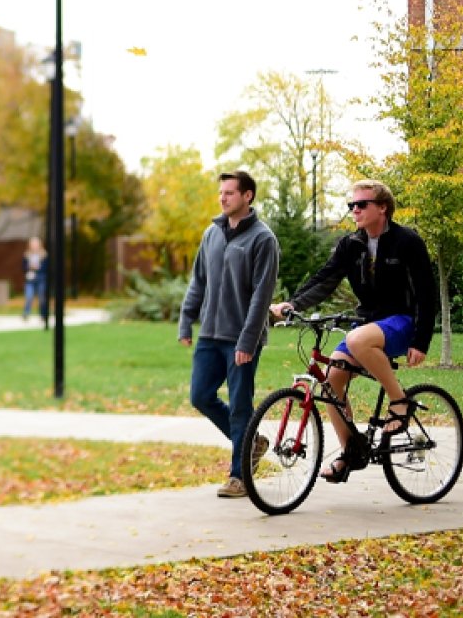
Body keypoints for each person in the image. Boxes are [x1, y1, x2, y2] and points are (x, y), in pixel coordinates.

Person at [269, 178, 438, 484]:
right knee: (332, 382)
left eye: (362, 204)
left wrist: (421, 339)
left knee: (357, 339)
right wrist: (293, 304)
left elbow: (428, 293)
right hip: (368, 324)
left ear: (382, 208)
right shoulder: (351, 245)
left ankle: (399, 401)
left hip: (402, 321)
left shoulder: (407, 242)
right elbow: (325, 279)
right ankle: (352, 452)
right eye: (352, 205)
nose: (355, 210)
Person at [178, 170, 281, 499]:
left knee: (239, 406)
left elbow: (262, 296)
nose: (222, 198)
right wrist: (186, 320)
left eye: (230, 193)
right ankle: (253, 441)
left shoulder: (263, 239)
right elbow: (198, 281)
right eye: (221, 192)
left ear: (248, 196)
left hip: (241, 338)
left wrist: (247, 341)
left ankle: (240, 477)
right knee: (200, 396)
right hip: (210, 334)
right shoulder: (212, 234)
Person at [21, 237, 49, 325]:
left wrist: (38, 267)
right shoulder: (27, 255)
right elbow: (23, 267)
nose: (34, 246)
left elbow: (47, 268)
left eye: (36, 244)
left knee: (42, 298)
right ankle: (26, 314)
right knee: (29, 296)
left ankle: (43, 315)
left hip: (41, 279)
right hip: (30, 279)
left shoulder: (44, 255)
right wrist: (29, 267)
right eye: (32, 244)